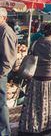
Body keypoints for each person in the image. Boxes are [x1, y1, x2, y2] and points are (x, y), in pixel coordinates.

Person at [18, 23, 51, 135]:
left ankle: (33, 125)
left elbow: (31, 57)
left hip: (36, 77)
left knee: (35, 104)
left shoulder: (35, 43)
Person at [0, 8, 17, 136]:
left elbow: (8, 59)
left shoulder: (6, 32)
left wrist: (1, 74)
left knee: (1, 104)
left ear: (4, 18)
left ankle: (5, 132)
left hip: (0, 74)